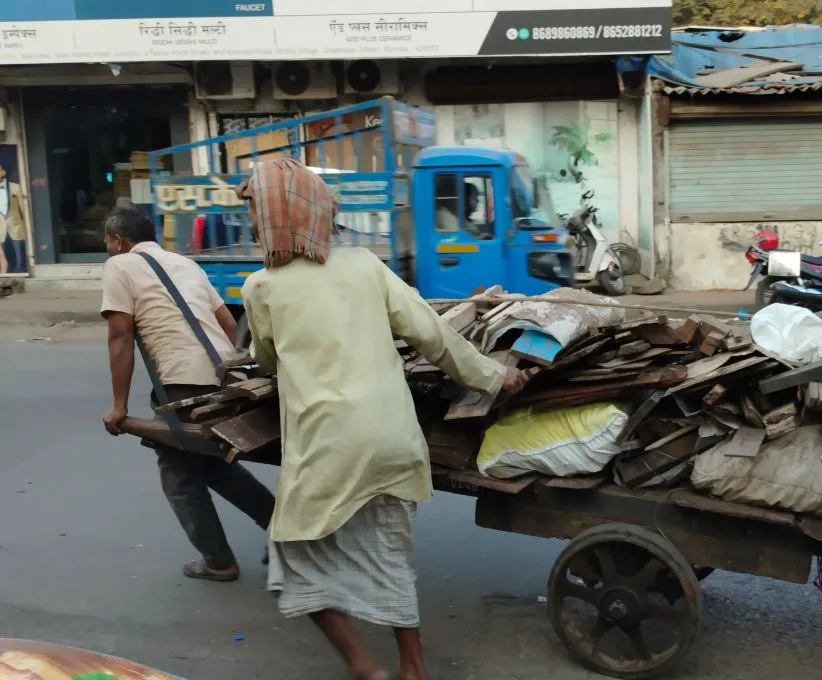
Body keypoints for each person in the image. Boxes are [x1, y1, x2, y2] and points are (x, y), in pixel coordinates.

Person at [238, 158, 528, 680]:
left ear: (276, 219)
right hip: (393, 439)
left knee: (292, 559)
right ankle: (412, 669)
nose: (254, 226)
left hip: (327, 446)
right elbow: (433, 336)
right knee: (390, 556)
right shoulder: (366, 265)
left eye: (256, 214)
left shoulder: (261, 287)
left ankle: (362, 666)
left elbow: (265, 360)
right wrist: (494, 377)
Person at [99, 205, 276, 582]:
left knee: (179, 477)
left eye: (107, 239)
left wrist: (119, 406)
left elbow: (120, 336)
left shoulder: (119, 266)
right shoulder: (185, 264)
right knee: (213, 464)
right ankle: (285, 535)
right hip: (221, 377)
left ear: (117, 239)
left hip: (180, 384)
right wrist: (213, 367)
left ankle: (218, 561)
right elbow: (227, 322)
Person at [0, 163, 27, 274]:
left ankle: (20, 268)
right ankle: (5, 269)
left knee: (17, 246)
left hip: (14, 221)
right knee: (3, 248)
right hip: (0, 223)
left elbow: (23, 206)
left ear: (4, 172)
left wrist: (25, 222)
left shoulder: (15, 187)